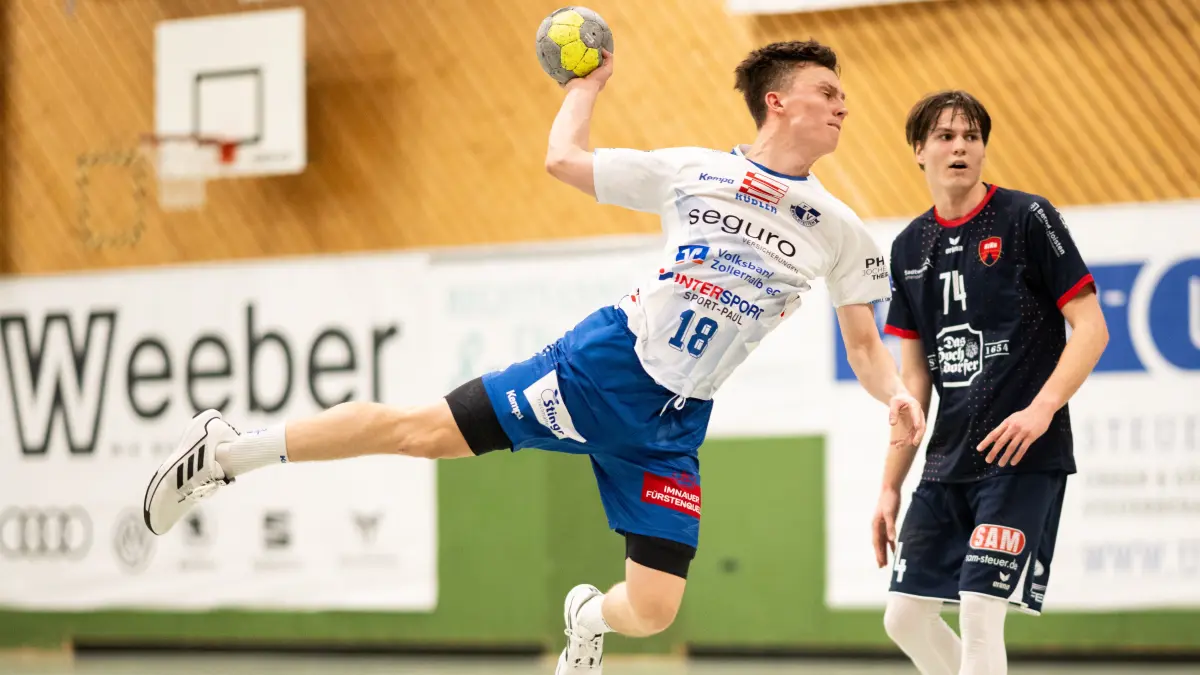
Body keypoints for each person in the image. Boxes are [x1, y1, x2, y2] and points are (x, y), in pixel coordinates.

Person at [143, 40, 925, 674]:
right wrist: (587, 85)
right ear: (777, 100)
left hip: (673, 424)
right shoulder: (695, 171)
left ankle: (586, 614)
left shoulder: (841, 230)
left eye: (843, 96)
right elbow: (563, 159)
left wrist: (890, 392)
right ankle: (230, 450)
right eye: (828, 91)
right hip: (602, 368)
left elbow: (863, 344)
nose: (843, 104)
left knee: (652, 611)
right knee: (420, 433)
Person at [873, 90, 1110, 675]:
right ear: (919, 151)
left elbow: (1092, 328)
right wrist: (889, 487)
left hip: (1022, 453)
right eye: (946, 137)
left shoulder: (1026, 217)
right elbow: (913, 383)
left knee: (980, 608)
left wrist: (1041, 411)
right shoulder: (908, 248)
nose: (961, 147)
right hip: (946, 461)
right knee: (903, 617)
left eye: (971, 137)